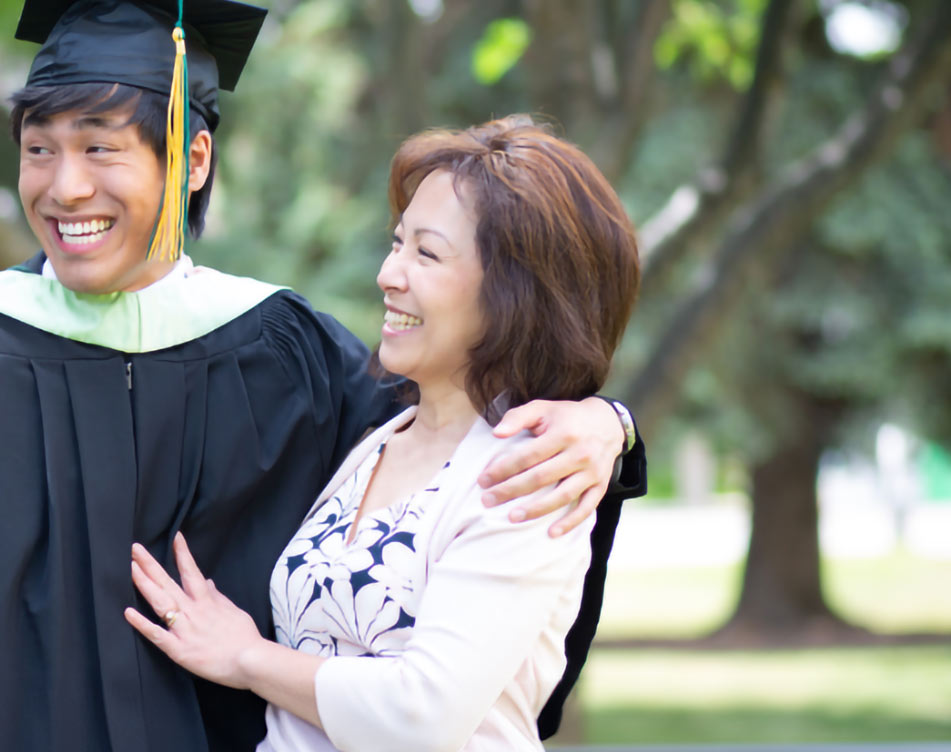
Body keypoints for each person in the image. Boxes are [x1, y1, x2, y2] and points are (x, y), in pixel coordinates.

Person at [0, 0, 645, 752]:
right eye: (38, 147)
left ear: (192, 159)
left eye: (100, 147)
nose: (64, 186)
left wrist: (607, 425)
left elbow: (459, 440)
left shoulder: (286, 357)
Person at [124, 117, 642, 752]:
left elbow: (419, 716)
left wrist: (246, 658)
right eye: (397, 244)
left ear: (518, 293)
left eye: (426, 253)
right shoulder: (377, 440)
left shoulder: (529, 473)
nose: (388, 274)